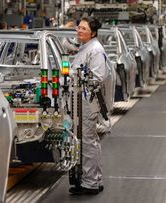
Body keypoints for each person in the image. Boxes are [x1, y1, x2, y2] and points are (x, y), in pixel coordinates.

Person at [69, 16, 108, 195]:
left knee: (87, 140)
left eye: (83, 28)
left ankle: (91, 183)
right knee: (88, 140)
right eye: (79, 27)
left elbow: (98, 77)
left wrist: (78, 78)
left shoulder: (96, 50)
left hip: (87, 99)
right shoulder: (86, 48)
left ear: (92, 32)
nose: (79, 30)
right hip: (81, 99)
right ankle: (92, 179)